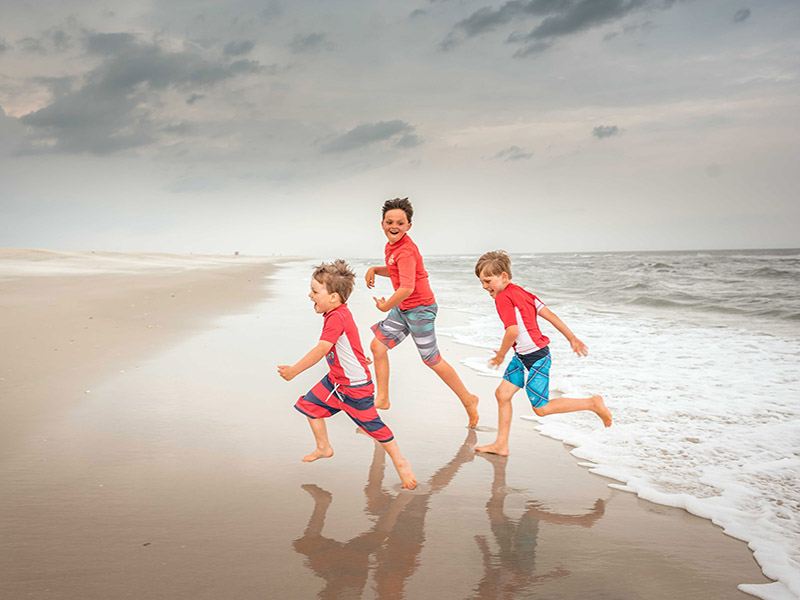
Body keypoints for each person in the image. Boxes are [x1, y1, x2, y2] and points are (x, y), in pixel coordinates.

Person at [278, 260, 417, 489]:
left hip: (354, 388)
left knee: (376, 427)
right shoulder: (339, 313)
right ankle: (324, 448)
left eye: (314, 291)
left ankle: (401, 462)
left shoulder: (335, 317)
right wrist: (361, 359)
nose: (310, 296)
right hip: (336, 382)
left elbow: (322, 348)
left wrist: (294, 370)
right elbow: (350, 343)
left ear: (333, 297)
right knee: (309, 406)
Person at [473, 250, 612, 456]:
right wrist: (571, 337)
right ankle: (501, 444)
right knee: (502, 395)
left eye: (487, 280)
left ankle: (592, 403)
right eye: (481, 282)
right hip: (524, 355)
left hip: (536, 357)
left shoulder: (502, 298)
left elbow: (512, 331)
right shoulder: (524, 293)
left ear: (503, 277)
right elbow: (551, 315)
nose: (484, 286)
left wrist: (501, 355)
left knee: (541, 409)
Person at [365, 197, 479, 427]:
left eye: (400, 223)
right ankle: (384, 398)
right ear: (382, 223)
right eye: (389, 222)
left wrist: (386, 306)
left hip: (420, 309)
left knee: (431, 359)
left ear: (409, 226)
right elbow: (397, 271)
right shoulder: (392, 247)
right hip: (404, 307)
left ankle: (469, 400)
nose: (394, 227)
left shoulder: (406, 250)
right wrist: (375, 269)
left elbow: (407, 287)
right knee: (378, 346)